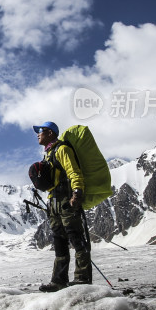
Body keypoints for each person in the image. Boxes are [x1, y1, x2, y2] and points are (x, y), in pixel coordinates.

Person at [33, 121, 92, 292]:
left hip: (66, 201)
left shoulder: (62, 150)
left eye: (41, 131)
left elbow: (74, 172)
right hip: (53, 203)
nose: (38, 134)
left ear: (51, 133)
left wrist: (77, 193)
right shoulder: (49, 154)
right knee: (59, 242)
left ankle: (82, 278)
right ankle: (59, 281)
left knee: (77, 239)